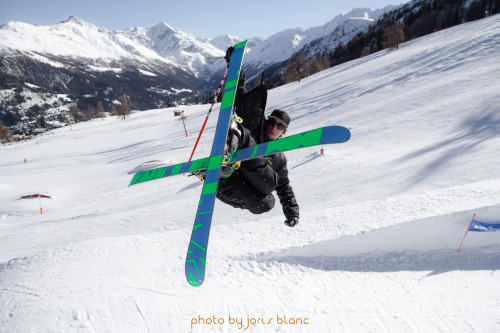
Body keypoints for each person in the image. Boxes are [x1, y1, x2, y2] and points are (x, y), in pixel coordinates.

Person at [215, 47, 300, 227]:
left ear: (283, 132)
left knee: (267, 201)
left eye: (279, 126)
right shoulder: (257, 125)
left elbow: (284, 188)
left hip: (231, 183)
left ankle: (221, 177)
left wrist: (292, 213)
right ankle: (237, 138)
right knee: (252, 118)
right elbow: (241, 95)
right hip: (242, 144)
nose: (273, 127)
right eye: (271, 121)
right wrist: (234, 67)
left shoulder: (279, 158)